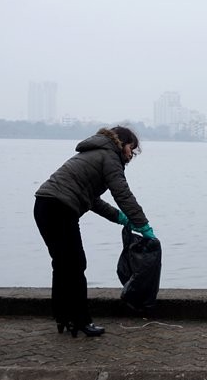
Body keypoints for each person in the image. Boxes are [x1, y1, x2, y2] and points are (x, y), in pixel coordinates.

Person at [33, 126, 156, 338]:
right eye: (131, 148)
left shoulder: (93, 153)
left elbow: (91, 199)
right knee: (76, 264)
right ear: (122, 143)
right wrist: (143, 224)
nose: (131, 154)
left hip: (45, 205)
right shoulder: (110, 156)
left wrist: (120, 218)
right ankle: (82, 321)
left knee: (63, 265)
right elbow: (122, 193)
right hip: (60, 208)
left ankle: (63, 317)